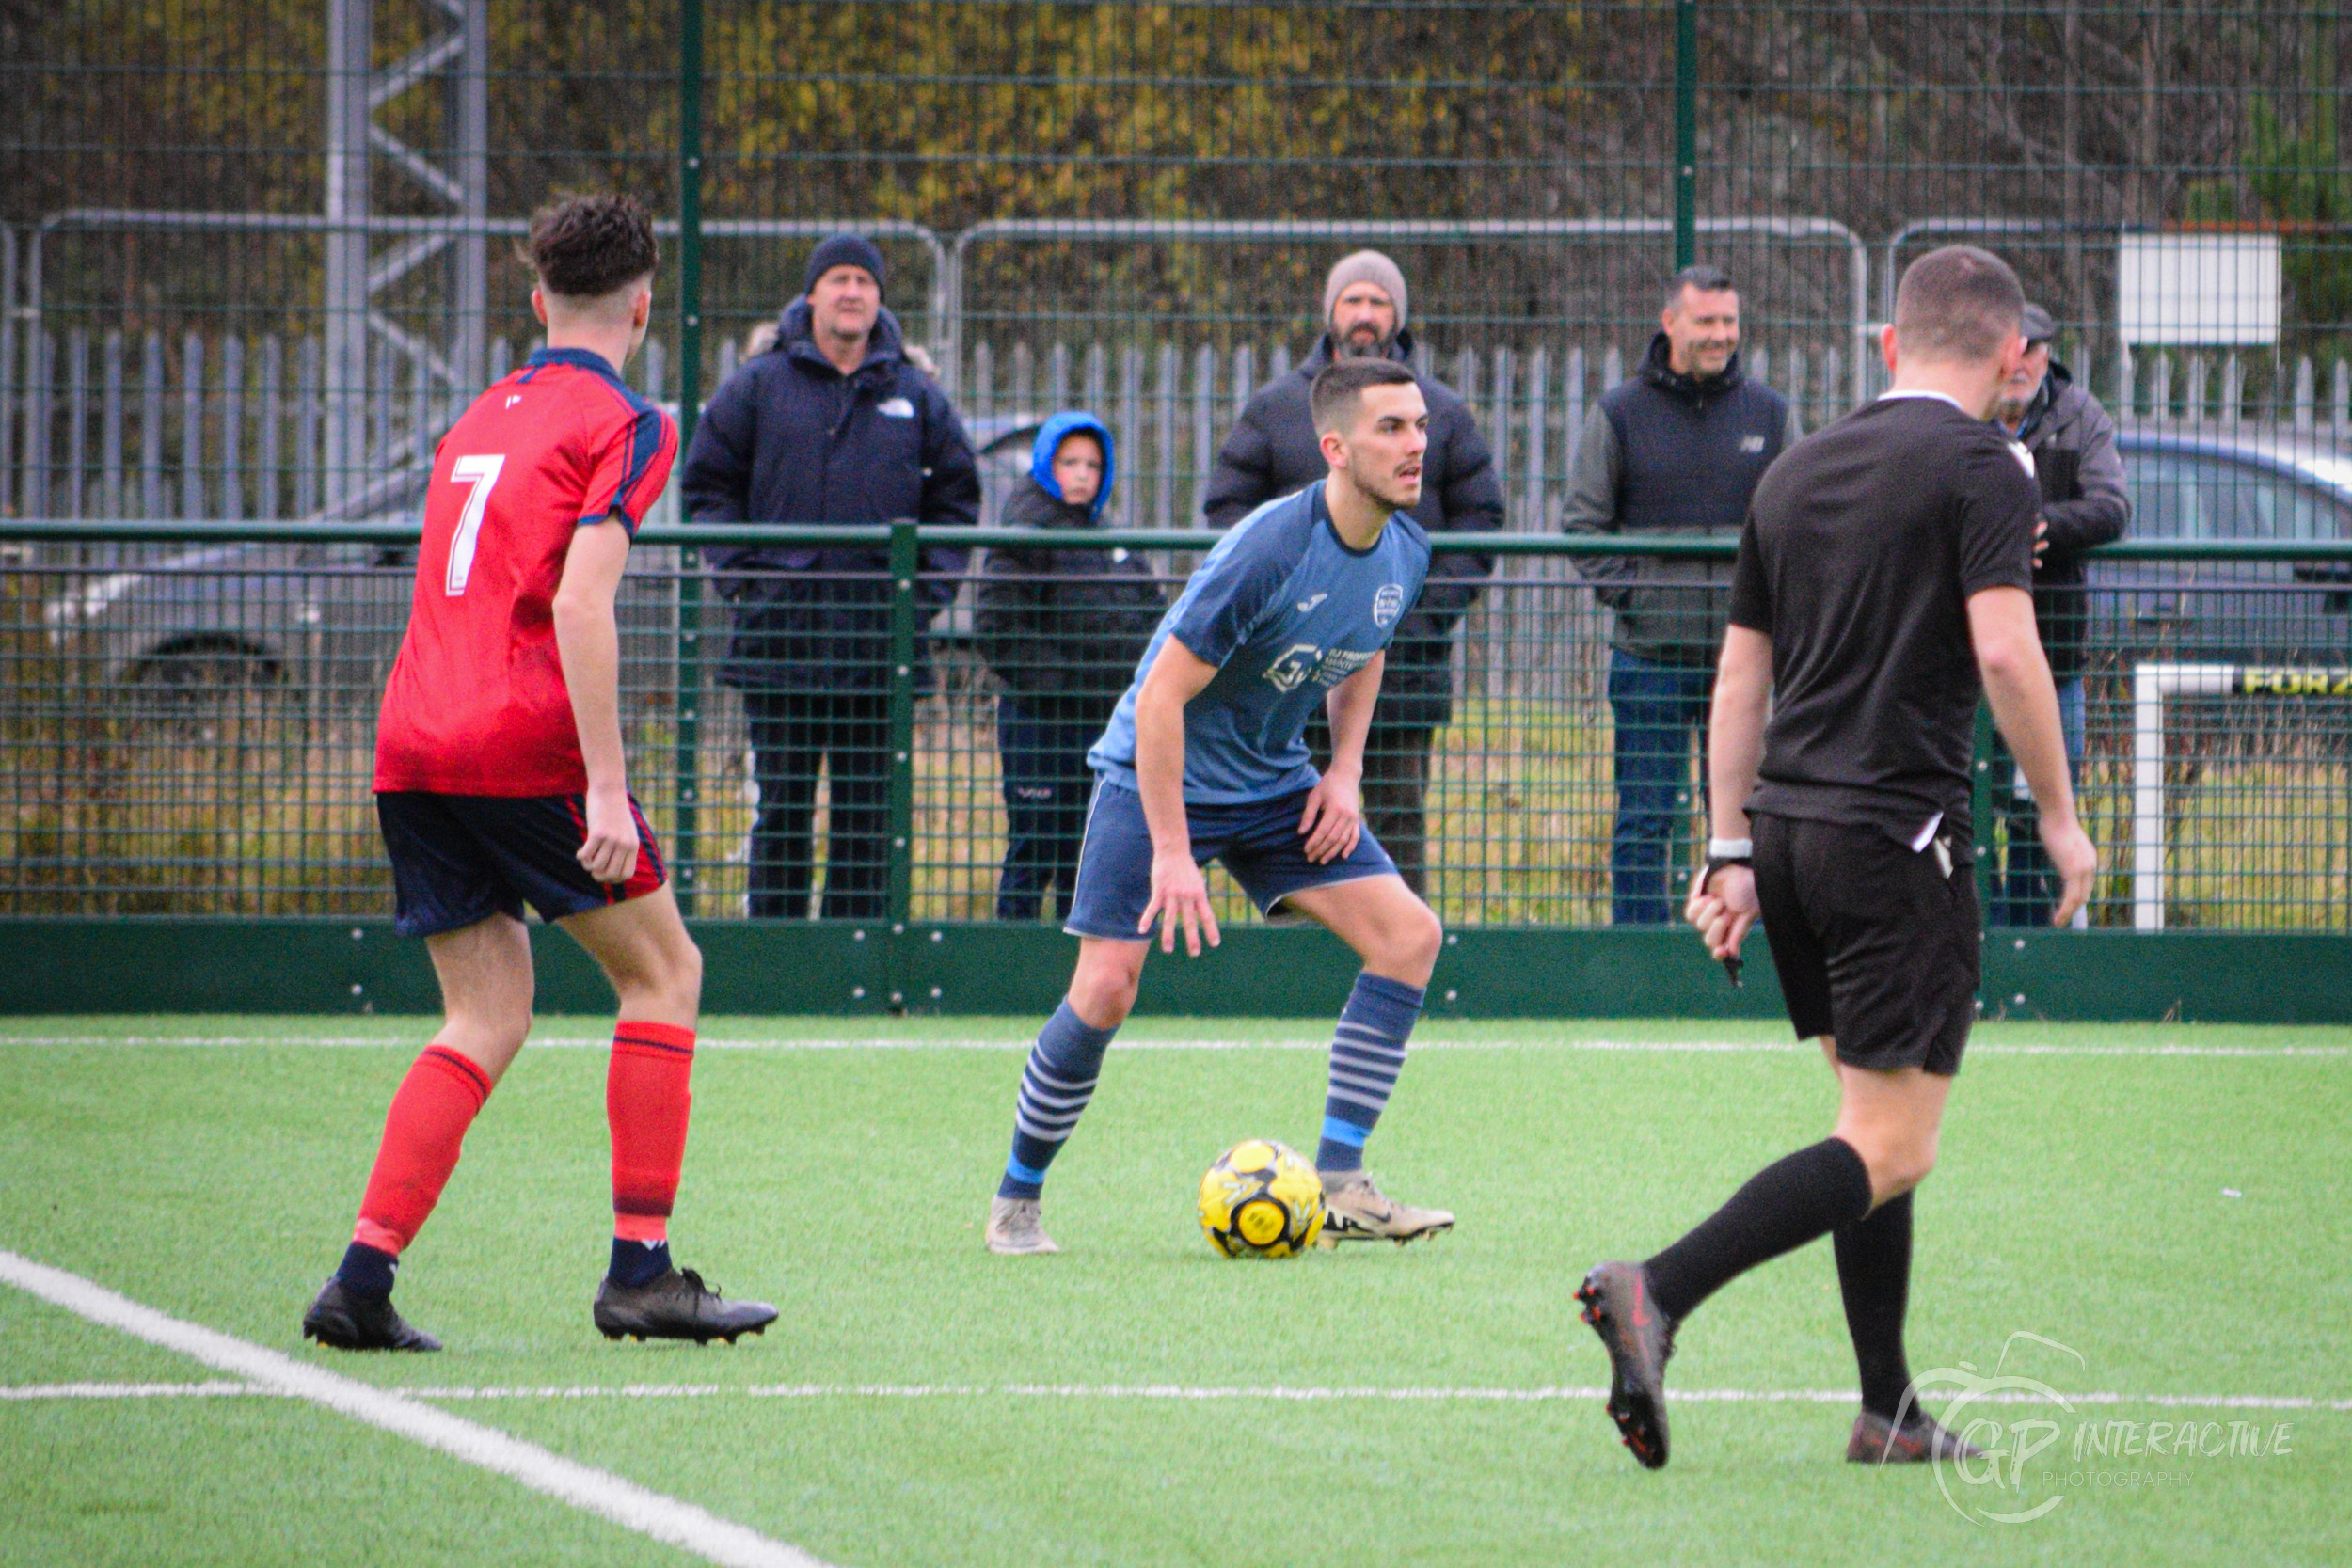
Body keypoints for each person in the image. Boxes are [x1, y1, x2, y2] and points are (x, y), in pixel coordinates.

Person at [1575, 246, 2097, 1468]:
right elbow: (2007, 650)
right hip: (1894, 836)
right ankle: (1655, 1288)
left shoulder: (1796, 465)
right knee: (1894, 1143)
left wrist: (1728, 850)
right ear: (2012, 356)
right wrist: (2060, 816)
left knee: (1869, 1126)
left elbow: (1739, 674)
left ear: (1888, 344)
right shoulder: (1988, 463)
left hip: (1790, 835)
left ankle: (1887, 1407)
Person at [303, 195, 776, 1353]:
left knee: (484, 1013)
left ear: (536, 300)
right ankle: (640, 1272)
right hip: (518, 741)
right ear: (644, 306)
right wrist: (606, 785)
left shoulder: (479, 415)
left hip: (413, 738)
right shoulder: (630, 421)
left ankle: (361, 1279)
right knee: (664, 971)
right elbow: (578, 601)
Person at [984, 359, 1453, 1257]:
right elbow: (1162, 697)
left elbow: (1366, 647)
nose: (1415, 445)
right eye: (1391, 427)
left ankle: (1344, 1184)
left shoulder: (1407, 547)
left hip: (1275, 781)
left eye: (1420, 425)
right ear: (1335, 447)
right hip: (1155, 778)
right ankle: (1017, 1200)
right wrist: (1172, 849)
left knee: (1409, 937)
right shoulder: (1269, 546)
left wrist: (1344, 771)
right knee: (1106, 986)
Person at [682, 233, 980, 919]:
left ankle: (857, 960)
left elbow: (957, 499)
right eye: (839, 279)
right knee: (781, 811)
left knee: (868, 821)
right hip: (778, 640)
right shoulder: (758, 384)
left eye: (864, 281)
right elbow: (708, 483)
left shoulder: (916, 393)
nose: (852, 292)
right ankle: (779, 952)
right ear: (812, 293)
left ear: (880, 298)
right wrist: (742, 577)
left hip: (879, 647)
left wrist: (920, 598)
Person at [1203, 250, 1502, 895]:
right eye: (1353, 300)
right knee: (1289, 823)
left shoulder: (1441, 412)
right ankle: (1302, 947)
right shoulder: (1276, 408)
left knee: (1396, 818)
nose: (1365, 314)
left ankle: (1396, 943)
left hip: (1402, 666)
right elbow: (1227, 510)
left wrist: (1403, 615)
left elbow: (1481, 521)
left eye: (1379, 302)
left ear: (1399, 315)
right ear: (1330, 311)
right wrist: (1283, 606)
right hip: (1286, 668)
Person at [1564, 264, 1805, 925]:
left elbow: (1800, 520)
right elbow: (1583, 524)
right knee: (1646, 819)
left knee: (1750, 821)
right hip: (1650, 658)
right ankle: (1640, 954)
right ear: (1670, 322)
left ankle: (1746, 947)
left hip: (1747, 664)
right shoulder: (1619, 413)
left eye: (1730, 321)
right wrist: (1638, 598)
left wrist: (1772, 613)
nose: (1721, 334)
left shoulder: (1771, 414)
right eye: (1707, 321)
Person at [976, 414, 1164, 921]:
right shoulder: (1025, 533)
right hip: (1042, 724)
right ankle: (1012, 952)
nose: (1082, 474)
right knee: (1036, 844)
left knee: (1092, 852)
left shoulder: (1109, 537)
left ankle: (1080, 958)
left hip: (1108, 723)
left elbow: (1152, 611)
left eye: (1093, 465)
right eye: (1070, 462)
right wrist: (1066, 684)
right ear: (1045, 464)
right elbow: (997, 627)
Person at [1987, 302, 2129, 926]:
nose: (2021, 364)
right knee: (1961, 811)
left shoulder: (2080, 414)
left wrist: (2041, 526)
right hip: (1965, 662)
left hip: (2055, 658)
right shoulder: (1961, 411)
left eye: (2034, 351)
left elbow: (2111, 506)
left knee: (2044, 811)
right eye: (2011, 350)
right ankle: (1977, 941)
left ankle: (2038, 946)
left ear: (2047, 355)